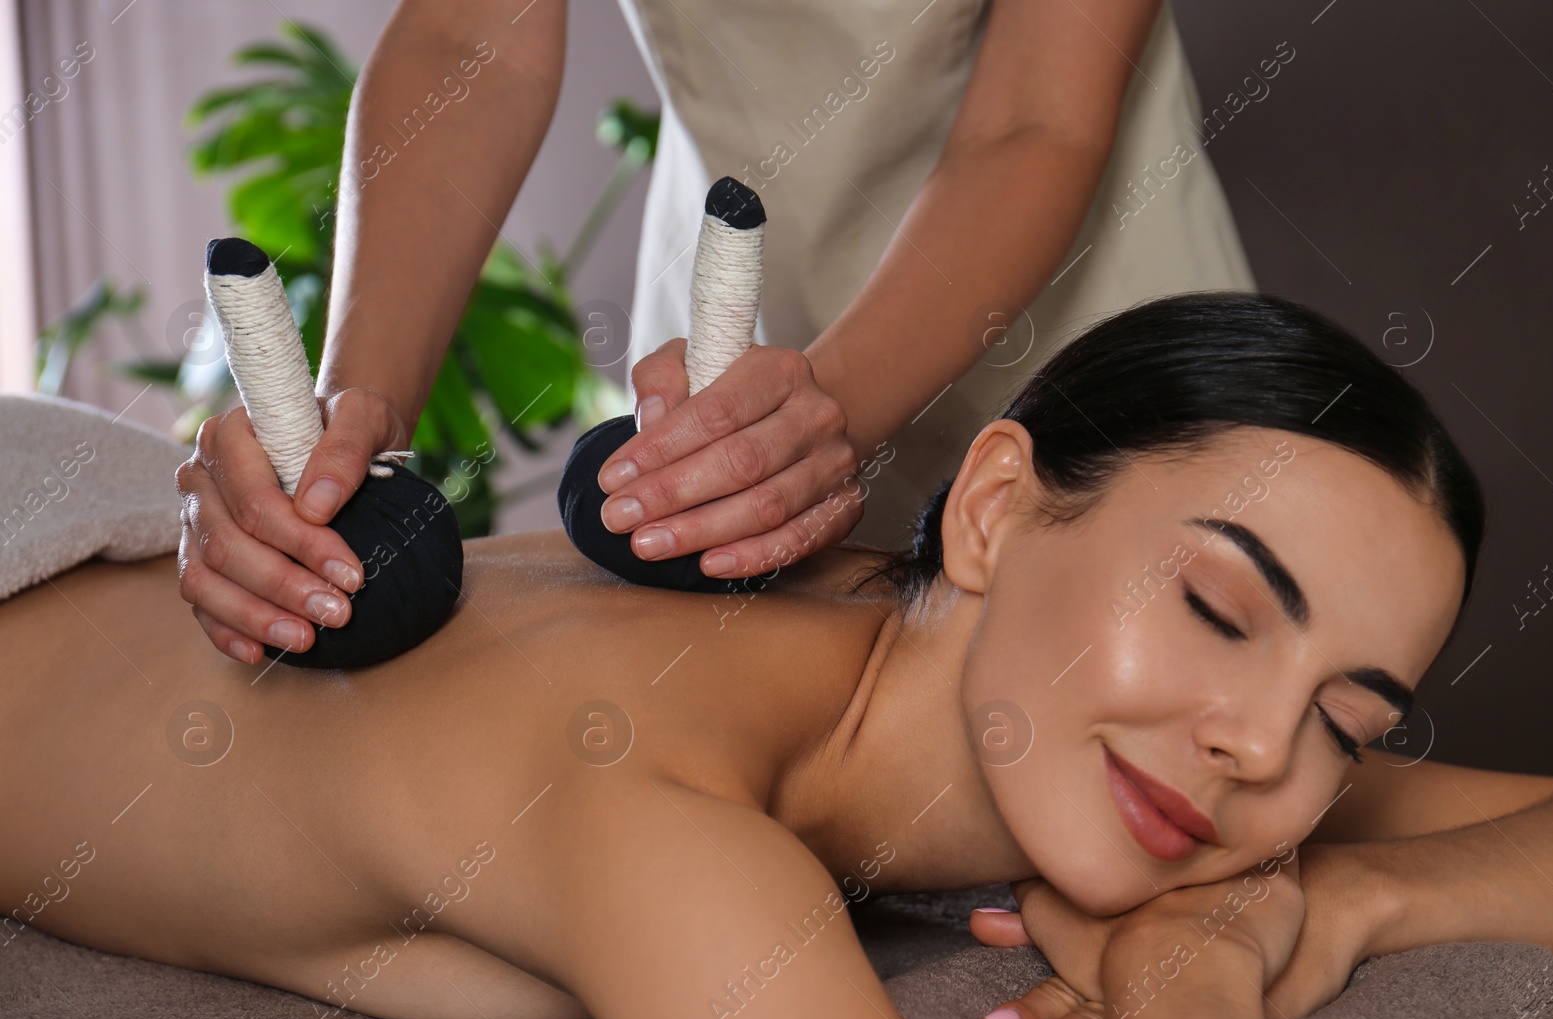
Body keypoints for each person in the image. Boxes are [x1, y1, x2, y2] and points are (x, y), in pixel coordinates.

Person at [13, 294, 1553, 1019]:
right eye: (1216, 604)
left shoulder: (914, 635)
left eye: (1350, 723)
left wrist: (1327, 905)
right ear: (991, 509)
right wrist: (1189, 979)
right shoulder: (651, 795)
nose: (1260, 743)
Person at [175, 0, 1257, 665]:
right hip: (739, 308)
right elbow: (473, 38)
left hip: (1077, 300)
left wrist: (828, 411)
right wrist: (352, 411)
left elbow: (1039, 118)